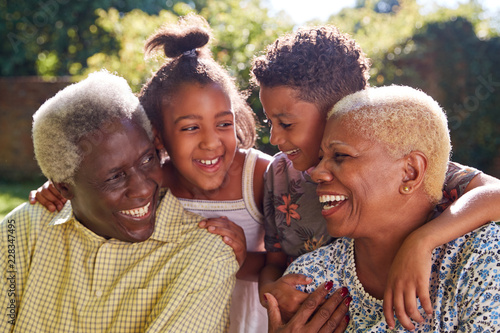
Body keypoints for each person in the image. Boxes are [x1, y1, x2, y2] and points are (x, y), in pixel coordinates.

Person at [29, 14, 272, 333]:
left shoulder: (259, 176)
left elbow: (286, 259)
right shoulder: (154, 182)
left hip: (251, 318)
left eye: (223, 123)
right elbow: (101, 188)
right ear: (157, 136)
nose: (211, 142)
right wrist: (60, 186)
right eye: (190, 127)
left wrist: (244, 258)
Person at [250, 25, 500, 329]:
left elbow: (494, 194)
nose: (274, 137)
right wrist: (273, 297)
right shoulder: (279, 176)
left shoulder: (403, 163)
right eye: (270, 121)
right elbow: (272, 262)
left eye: (286, 123)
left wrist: (421, 242)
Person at [3, 70, 238, 332]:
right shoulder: (21, 231)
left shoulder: (205, 256)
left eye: (148, 159)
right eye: (115, 177)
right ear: (65, 188)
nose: (141, 189)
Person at [283, 85, 500, 331]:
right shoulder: (307, 280)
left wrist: (421, 241)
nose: (317, 173)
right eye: (322, 157)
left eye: (341, 155)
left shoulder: (482, 258)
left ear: (410, 173)